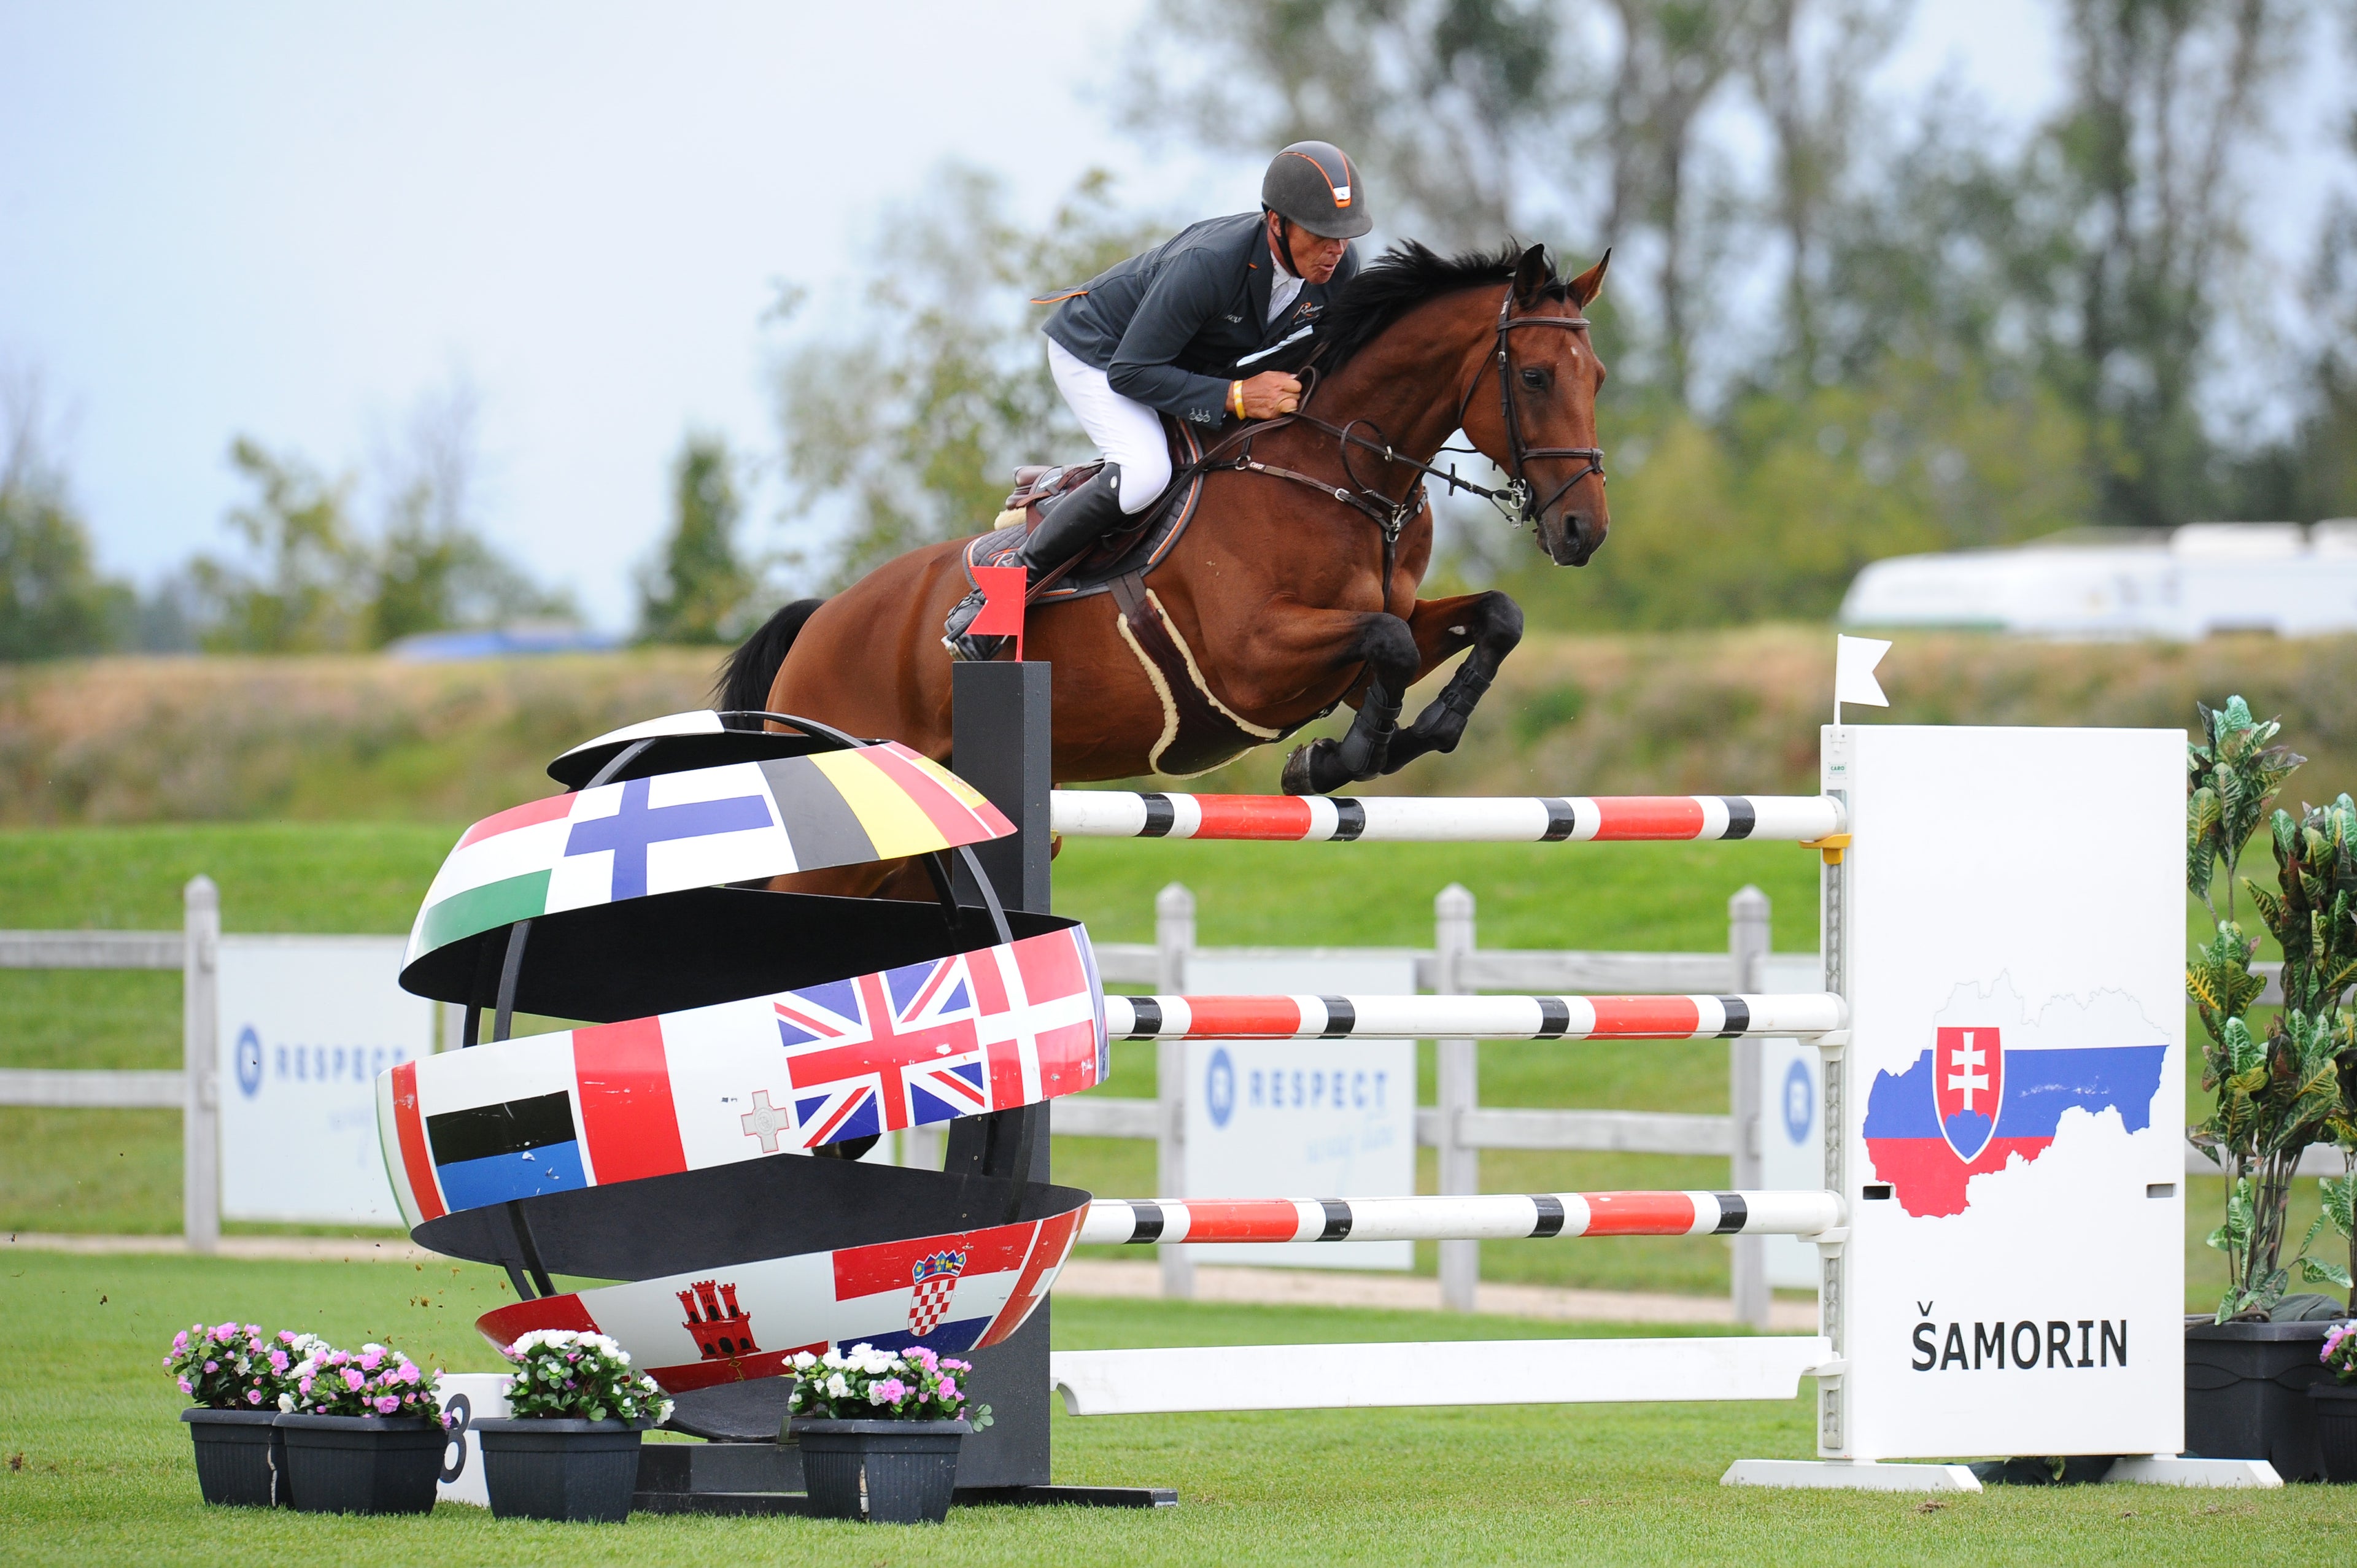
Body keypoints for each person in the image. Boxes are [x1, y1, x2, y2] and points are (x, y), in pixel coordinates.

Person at [942, 141, 1372, 657]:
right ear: (1276, 222)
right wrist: (1236, 396)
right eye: (1323, 234)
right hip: (1099, 353)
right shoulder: (1211, 264)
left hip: (1177, 363)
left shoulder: (1337, 273)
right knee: (1147, 471)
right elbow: (1132, 372)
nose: (1336, 250)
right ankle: (1003, 591)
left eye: (1345, 237)